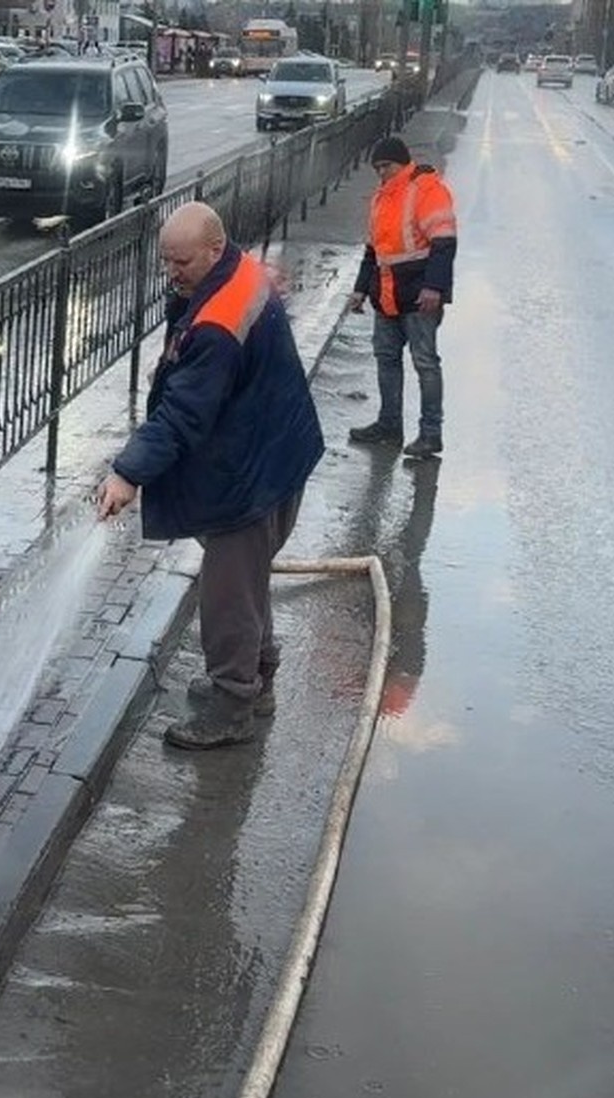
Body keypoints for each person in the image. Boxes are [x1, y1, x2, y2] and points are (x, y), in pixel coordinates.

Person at [96, 202, 324, 750]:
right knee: (247, 586)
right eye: (166, 262)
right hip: (273, 452)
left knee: (227, 599)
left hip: (250, 473)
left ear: (215, 249)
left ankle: (231, 707)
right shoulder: (241, 271)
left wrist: (128, 474)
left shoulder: (219, 325)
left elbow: (182, 413)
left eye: (182, 262)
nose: (172, 274)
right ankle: (256, 679)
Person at [348, 136, 457, 459]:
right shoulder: (381, 198)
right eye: (378, 168)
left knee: (425, 363)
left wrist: (434, 288)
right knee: (387, 360)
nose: (382, 173)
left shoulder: (425, 189)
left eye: (387, 166)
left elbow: (444, 243)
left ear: (403, 162)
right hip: (388, 294)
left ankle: (430, 434)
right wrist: (359, 289)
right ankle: (389, 426)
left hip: (420, 295)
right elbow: (374, 250)